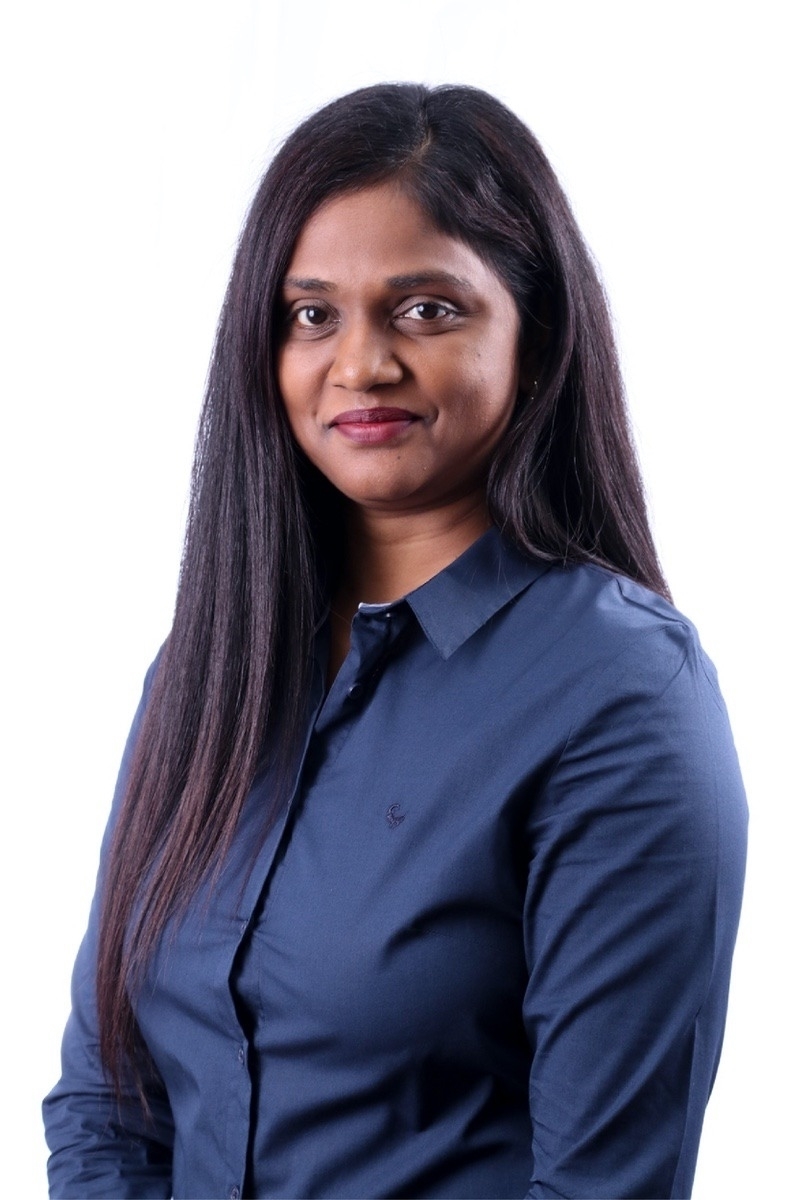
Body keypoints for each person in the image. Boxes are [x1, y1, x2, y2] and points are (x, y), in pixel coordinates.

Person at [43, 83, 748, 1200]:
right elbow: (107, 1100)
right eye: (311, 315)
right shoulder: (207, 666)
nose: (361, 364)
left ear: (535, 335)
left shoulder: (619, 693)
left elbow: (601, 1185)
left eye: (424, 309)